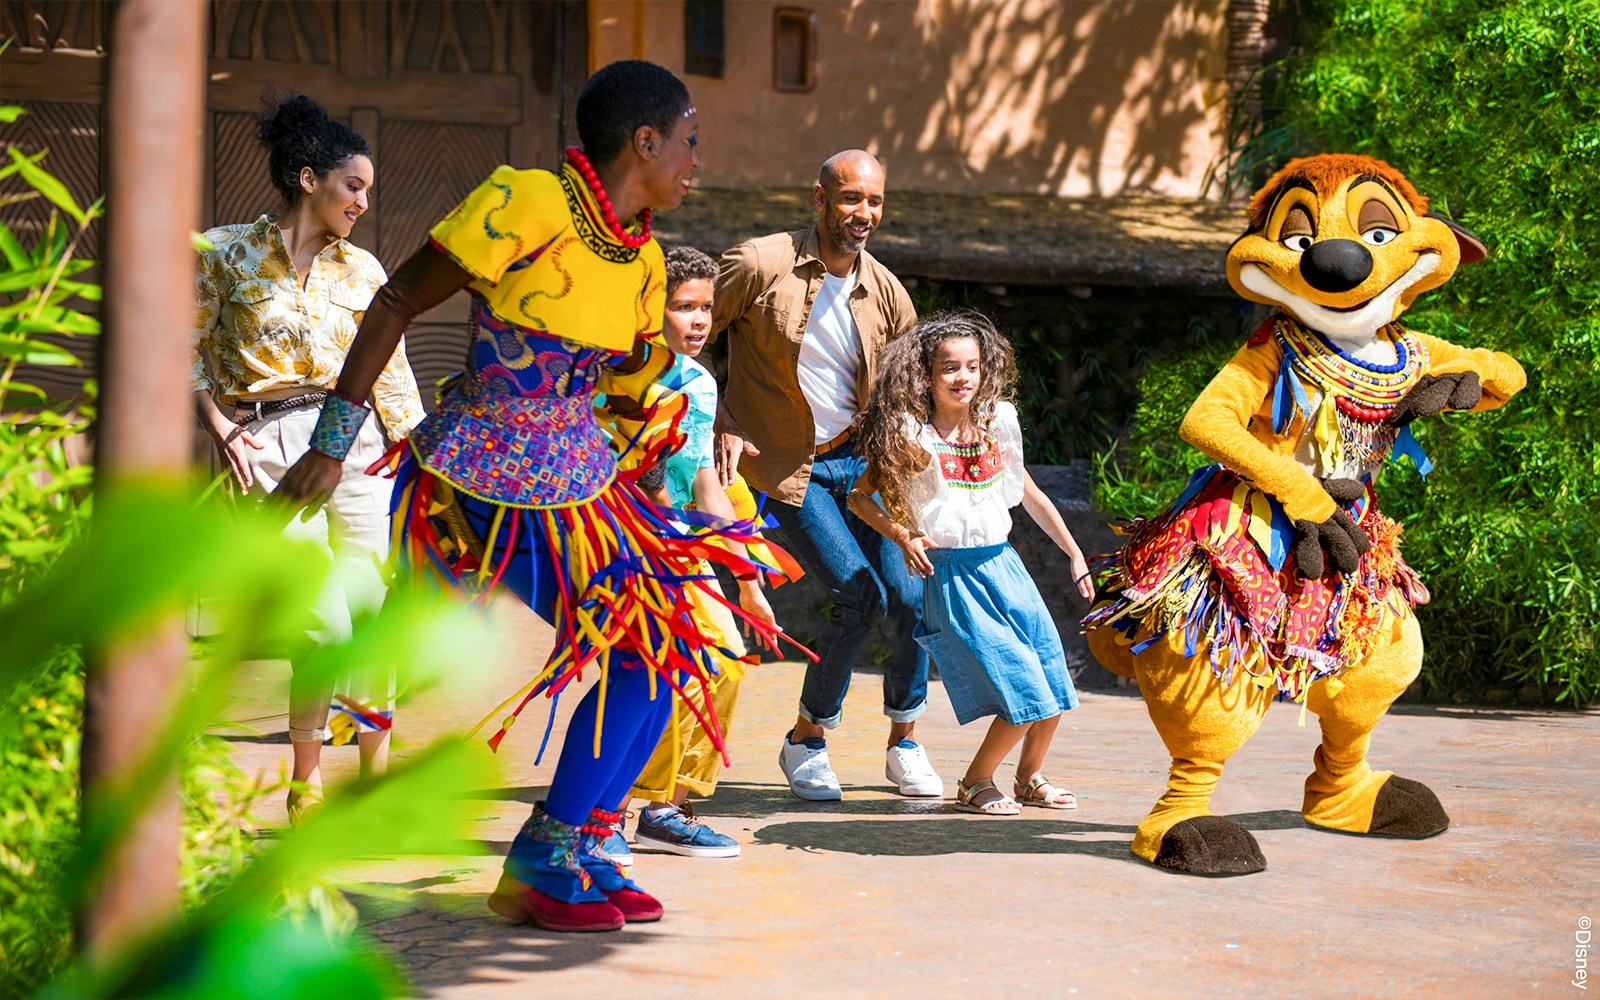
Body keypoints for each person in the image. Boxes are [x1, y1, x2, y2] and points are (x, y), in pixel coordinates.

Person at [275, 61, 790, 933]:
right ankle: (543, 861)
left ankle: (585, 843)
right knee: (646, 643)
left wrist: (688, 499)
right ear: (646, 141)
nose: (698, 160)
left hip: (579, 477)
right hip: (487, 471)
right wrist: (333, 444)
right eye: (691, 141)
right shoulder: (528, 202)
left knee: (668, 647)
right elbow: (398, 296)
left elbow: (632, 392)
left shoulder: (646, 258)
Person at [189, 94, 424, 821]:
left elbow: (392, 370)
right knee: (319, 618)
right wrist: (220, 428)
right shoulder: (222, 251)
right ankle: (305, 775)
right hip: (267, 446)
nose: (362, 202)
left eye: (367, 191)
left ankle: (375, 778)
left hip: (359, 445)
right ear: (307, 178)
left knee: (369, 608)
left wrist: (416, 458)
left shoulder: (365, 269)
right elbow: (182, 346)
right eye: (353, 185)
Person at [712, 149, 942, 801]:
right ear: (819, 199)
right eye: (850, 199)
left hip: (868, 466)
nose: (862, 213)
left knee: (910, 595)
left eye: (873, 202)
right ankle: (806, 741)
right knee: (858, 592)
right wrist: (721, 417)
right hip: (790, 467)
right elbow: (687, 337)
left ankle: (905, 741)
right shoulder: (759, 264)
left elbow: (907, 390)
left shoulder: (888, 292)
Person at [846, 313, 1096, 815]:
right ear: (926, 375)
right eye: (949, 368)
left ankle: (1029, 777)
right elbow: (858, 497)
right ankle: (976, 781)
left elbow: (1029, 493)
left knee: (1052, 677)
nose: (963, 377)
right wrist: (902, 534)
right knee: (1023, 687)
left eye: (973, 367)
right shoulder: (913, 435)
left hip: (1005, 566)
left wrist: (1073, 552)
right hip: (954, 575)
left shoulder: (997, 424)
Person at [613, 246, 789, 860]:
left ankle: (666, 807)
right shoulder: (621, 373)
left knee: (724, 664)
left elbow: (707, 483)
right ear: (649, 308)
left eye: (706, 308)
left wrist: (746, 580)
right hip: (619, 544)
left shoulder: (700, 383)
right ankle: (606, 809)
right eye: (683, 306)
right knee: (644, 674)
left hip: (683, 547)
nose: (698, 320)